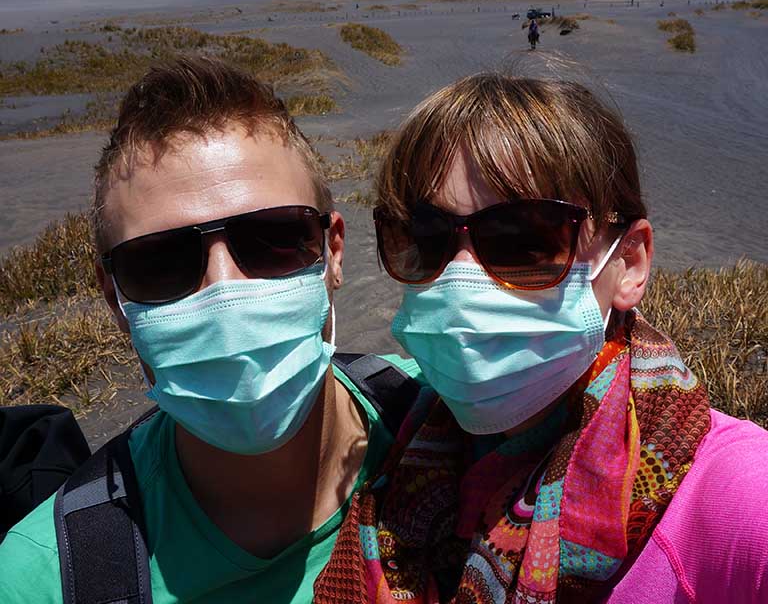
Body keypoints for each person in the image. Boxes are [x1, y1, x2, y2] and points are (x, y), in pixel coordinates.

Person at [313, 72, 768, 603]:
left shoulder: (736, 497)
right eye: (426, 237)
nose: (461, 282)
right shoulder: (391, 452)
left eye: (523, 239)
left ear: (629, 262)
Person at [0, 56, 422, 603]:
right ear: (115, 298)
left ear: (332, 252)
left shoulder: (458, 425)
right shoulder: (43, 578)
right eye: (161, 261)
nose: (224, 290)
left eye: (272, 238)